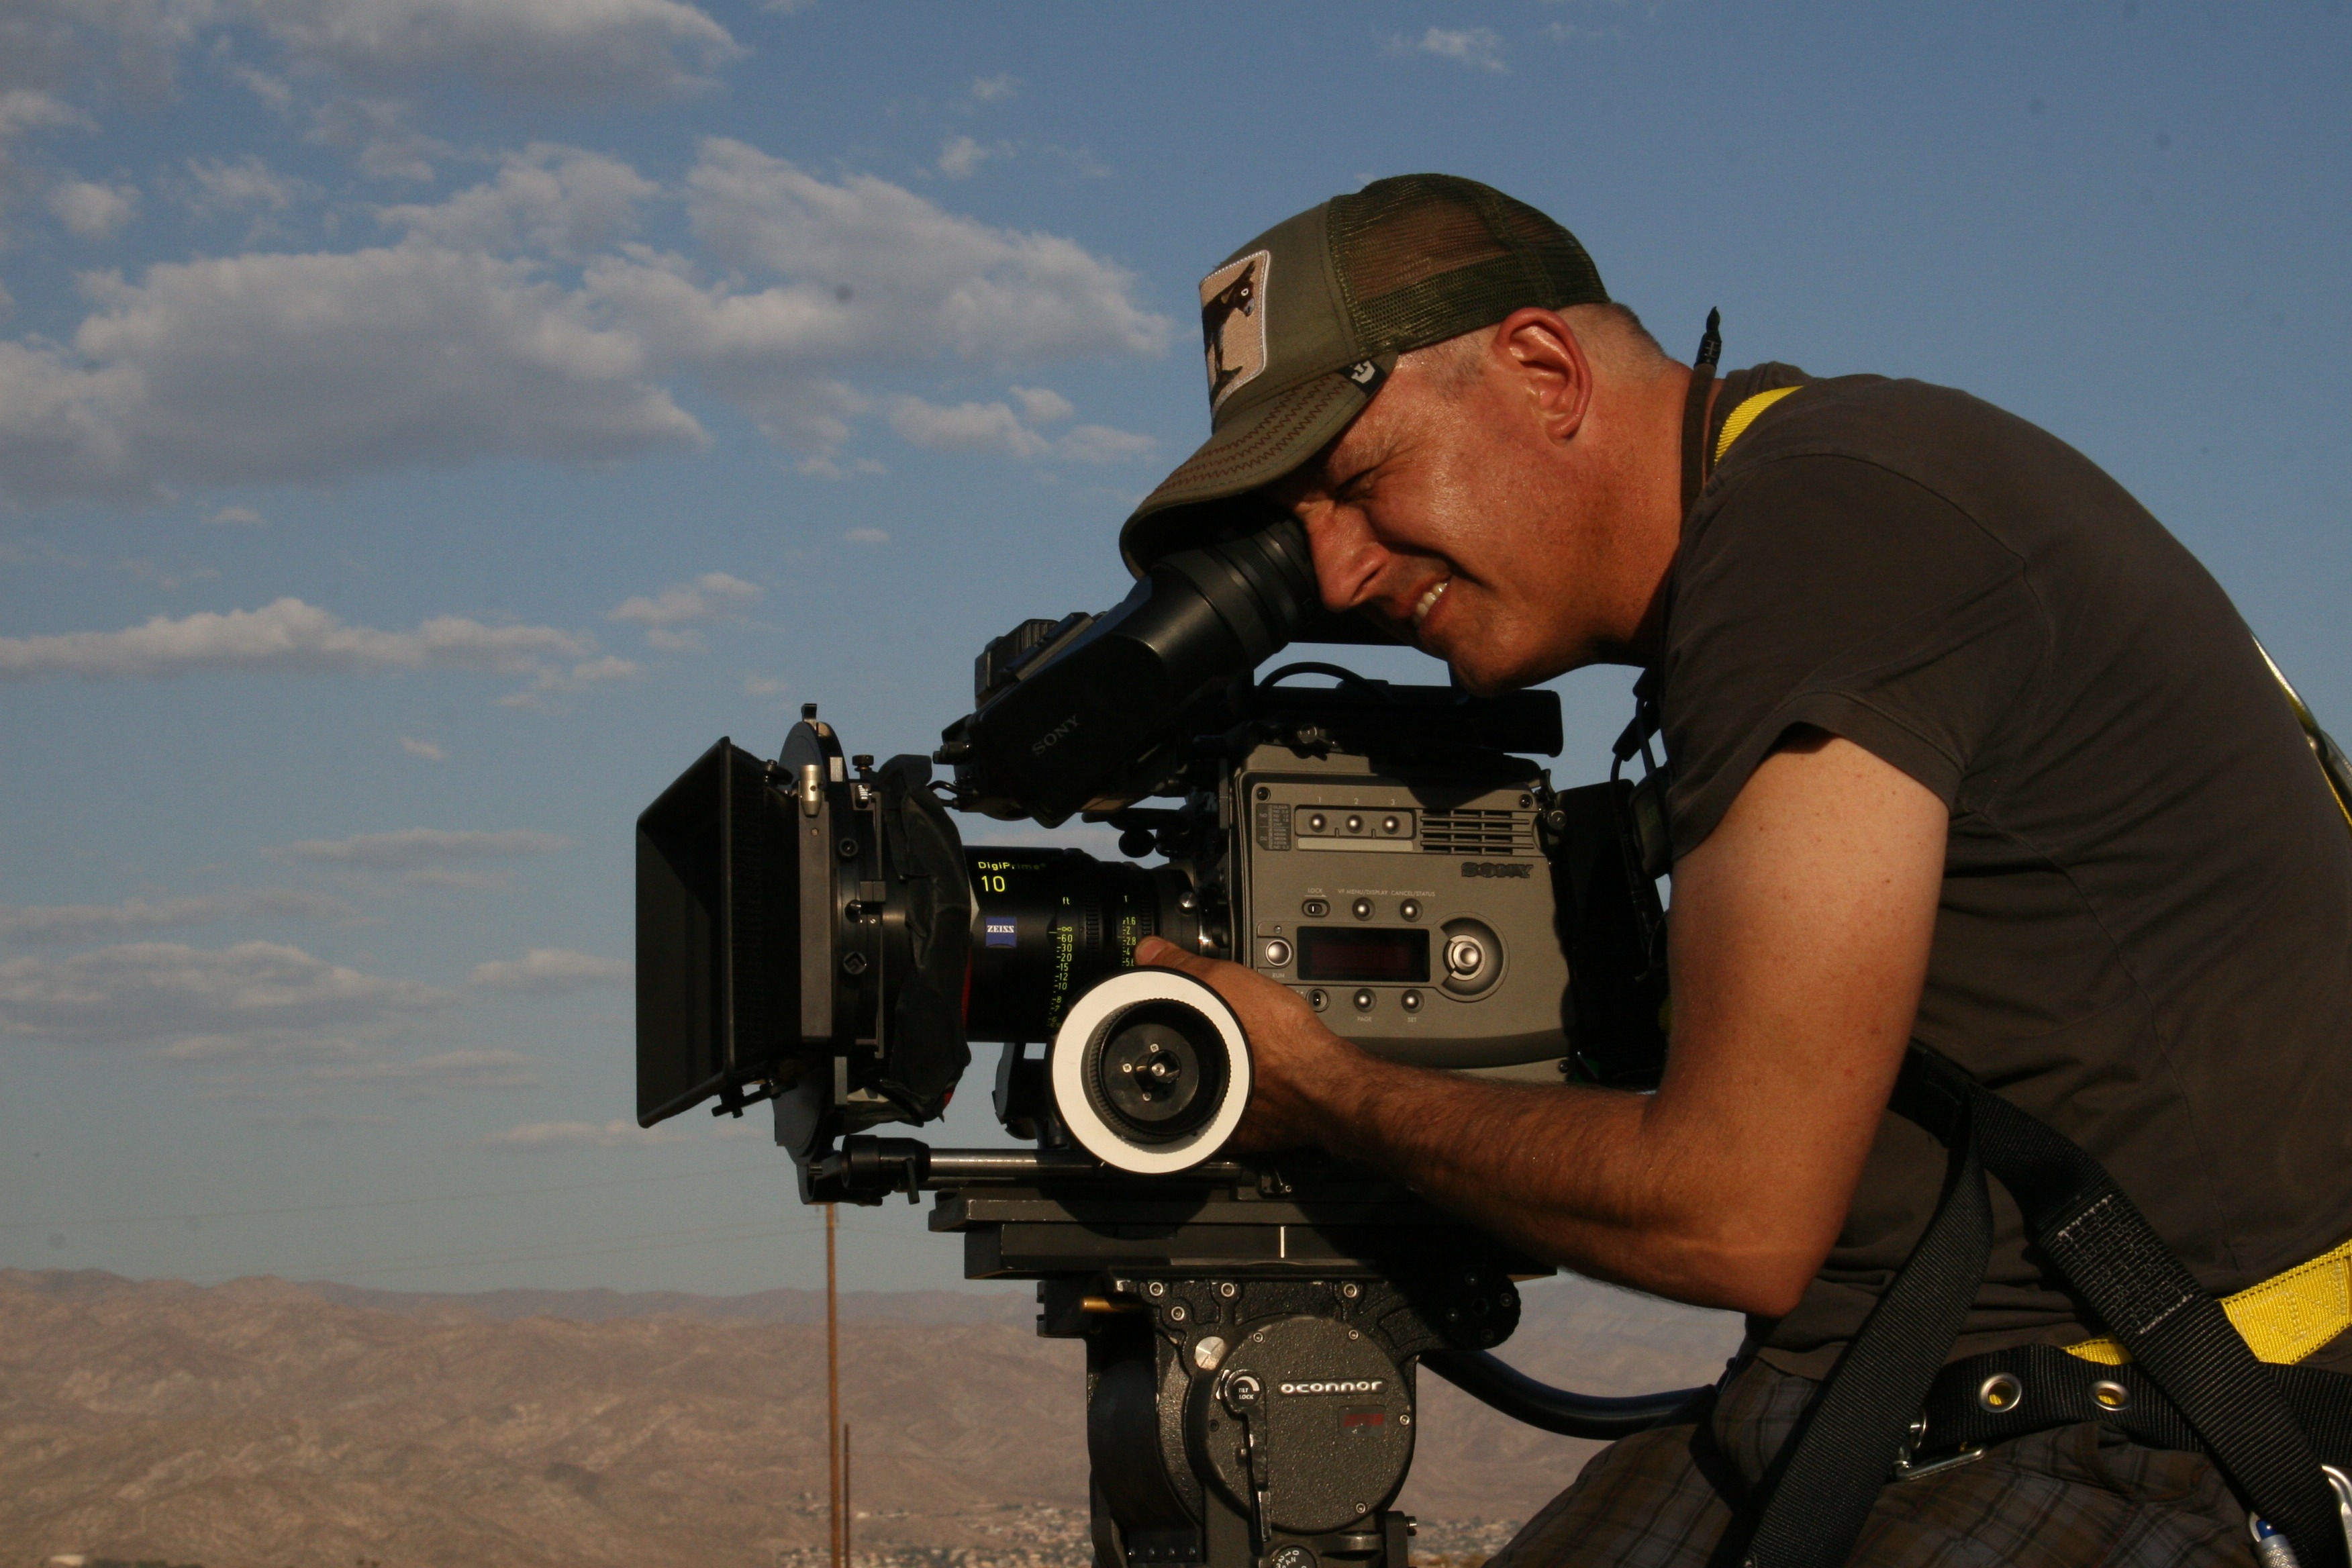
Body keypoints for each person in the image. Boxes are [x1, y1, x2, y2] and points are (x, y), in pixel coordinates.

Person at [1118, 174, 2352, 1567]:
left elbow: (1732, 1210)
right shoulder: (1822, 493)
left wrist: (1323, 1088)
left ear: (1542, 369)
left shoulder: (1817, 534)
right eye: (1297, 527)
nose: (1334, 580)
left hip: (2165, 1428)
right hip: (1916, 1384)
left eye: (1356, 482)